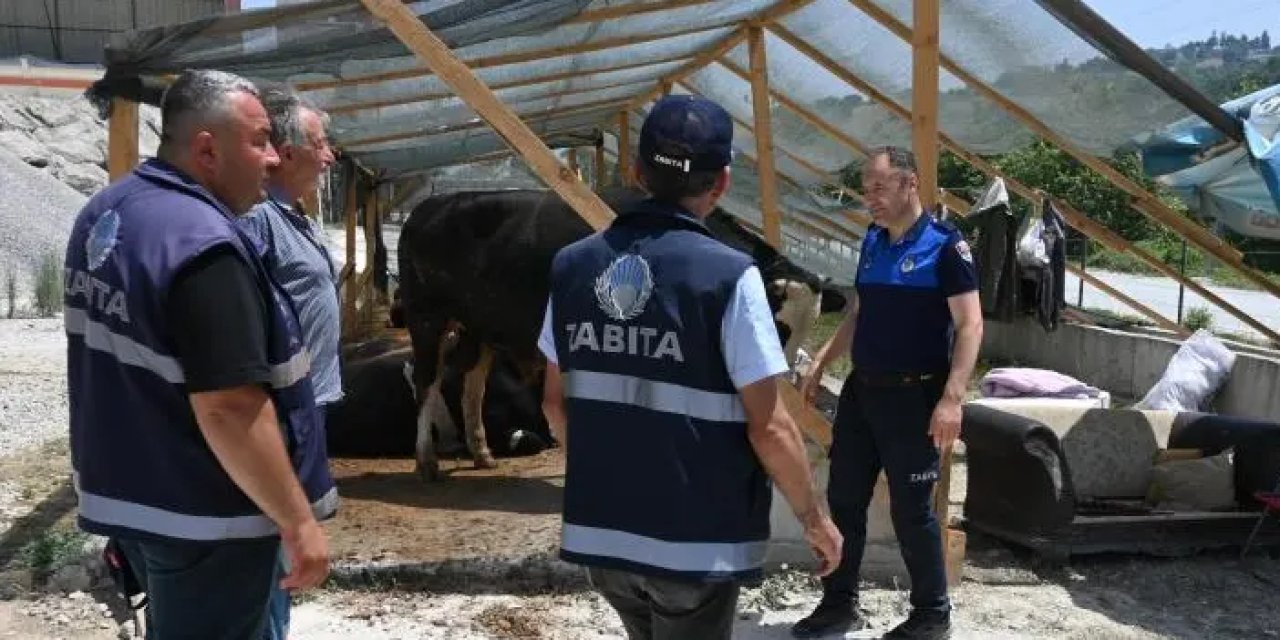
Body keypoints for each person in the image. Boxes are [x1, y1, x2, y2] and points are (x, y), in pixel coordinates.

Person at [537, 94, 843, 640]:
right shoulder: (729, 277)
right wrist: (815, 520)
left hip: (603, 540)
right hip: (693, 545)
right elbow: (770, 427)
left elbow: (554, 403)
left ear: (636, 171)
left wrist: (607, 475)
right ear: (722, 182)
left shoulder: (572, 266)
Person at [64, 69, 337, 639]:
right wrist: (298, 520)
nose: (271, 159)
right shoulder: (204, 245)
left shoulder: (107, 213)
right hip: (207, 517)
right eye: (259, 141)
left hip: (134, 496)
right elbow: (230, 409)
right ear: (208, 150)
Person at [790, 146, 982, 640]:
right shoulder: (873, 241)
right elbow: (859, 312)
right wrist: (822, 362)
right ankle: (838, 605)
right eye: (865, 188)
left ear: (909, 183)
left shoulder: (945, 246)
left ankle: (931, 615)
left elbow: (970, 324)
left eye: (878, 187)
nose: (868, 198)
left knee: (911, 510)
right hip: (863, 393)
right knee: (845, 498)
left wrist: (952, 398)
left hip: (915, 399)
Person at [235, 87, 339, 640]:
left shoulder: (296, 217)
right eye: (320, 145)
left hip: (307, 405)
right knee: (274, 540)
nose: (329, 157)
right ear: (288, 152)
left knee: (283, 547)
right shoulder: (257, 222)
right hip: (278, 414)